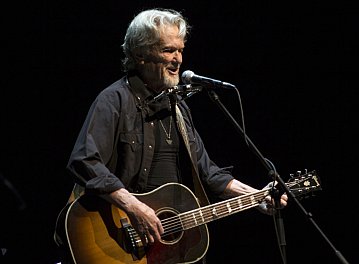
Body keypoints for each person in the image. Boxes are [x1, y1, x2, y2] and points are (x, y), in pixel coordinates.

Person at [54, 8, 288, 264]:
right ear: (140, 55)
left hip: (170, 250)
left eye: (180, 50)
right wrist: (134, 206)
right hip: (120, 240)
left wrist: (256, 197)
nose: (178, 59)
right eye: (168, 50)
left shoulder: (178, 108)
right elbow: (84, 160)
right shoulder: (114, 100)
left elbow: (208, 173)